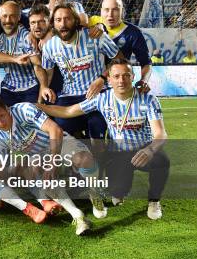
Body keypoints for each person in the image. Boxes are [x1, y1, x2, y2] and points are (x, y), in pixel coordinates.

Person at [37, 58, 169, 220]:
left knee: (162, 161)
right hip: (118, 153)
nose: (121, 80)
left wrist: (149, 150)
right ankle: (119, 191)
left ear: (133, 76)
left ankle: (154, 201)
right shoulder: (102, 99)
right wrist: (38, 107)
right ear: (109, 79)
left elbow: (160, 134)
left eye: (126, 75)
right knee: (116, 193)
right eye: (117, 76)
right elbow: (68, 111)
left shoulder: (149, 99)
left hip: (143, 150)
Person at [0, 97, 95, 233]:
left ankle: (96, 192)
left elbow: (55, 130)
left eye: (2, 116)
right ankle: (77, 216)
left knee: (82, 159)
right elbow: (1, 168)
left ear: (7, 109)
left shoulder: (23, 110)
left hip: (60, 142)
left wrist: (53, 161)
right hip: (39, 158)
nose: (1, 122)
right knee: (34, 168)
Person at [41, 3, 122, 142]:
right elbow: (47, 71)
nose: (63, 24)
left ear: (75, 20)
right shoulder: (50, 46)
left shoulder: (95, 36)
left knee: (96, 128)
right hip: (69, 96)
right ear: (52, 24)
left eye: (67, 19)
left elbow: (120, 59)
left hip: (98, 94)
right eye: (58, 20)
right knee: (62, 127)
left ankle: (101, 156)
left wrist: (102, 78)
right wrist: (43, 86)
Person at [89, 0, 152, 92]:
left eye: (115, 10)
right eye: (106, 10)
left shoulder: (133, 33)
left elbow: (146, 63)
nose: (110, 14)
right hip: (90, 84)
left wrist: (144, 80)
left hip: (117, 86)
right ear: (101, 11)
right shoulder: (90, 23)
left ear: (122, 11)